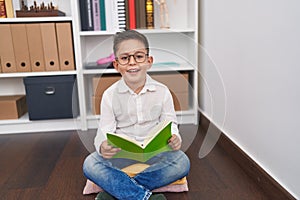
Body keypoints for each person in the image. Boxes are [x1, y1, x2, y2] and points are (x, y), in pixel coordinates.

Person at [83, 30, 190, 200]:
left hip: (155, 153)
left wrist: (175, 138)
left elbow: (171, 123)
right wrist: (102, 146)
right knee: (90, 164)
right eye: (125, 58)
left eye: (139, 56)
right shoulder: (110, 95)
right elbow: (104, 130)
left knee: (182, 162)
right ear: (117, 65)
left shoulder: (162, 92)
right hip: (122, 155)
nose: (132, 63)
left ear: (149, 61)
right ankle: (143, 196)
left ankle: (117, 191)